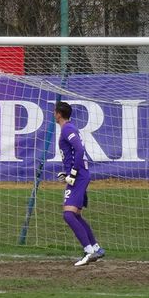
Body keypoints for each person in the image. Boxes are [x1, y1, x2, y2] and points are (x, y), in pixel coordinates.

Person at [54, 101, 105, 266]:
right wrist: (68, 173)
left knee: (68, 215)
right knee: (74, 214)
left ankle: (89, 251)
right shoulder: (69, 128)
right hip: (79, 175)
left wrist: (74, 173)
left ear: (58, 114)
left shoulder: (68, 128)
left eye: (54, 112)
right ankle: (96, 248)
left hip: (79, 176)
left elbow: (80, 150)